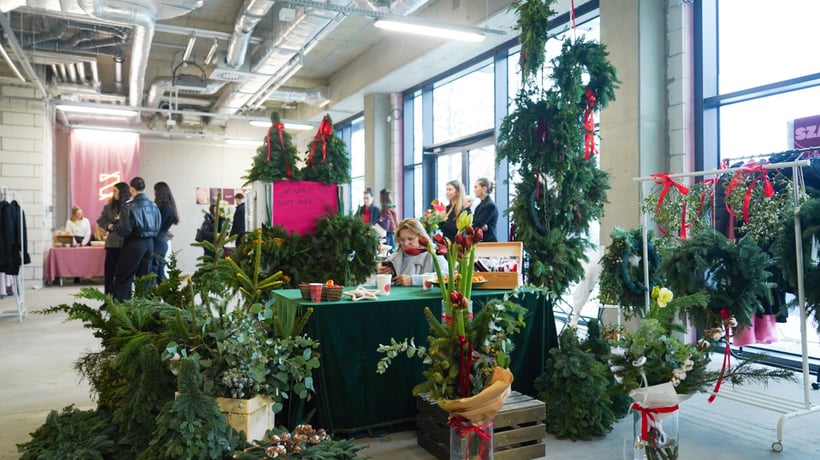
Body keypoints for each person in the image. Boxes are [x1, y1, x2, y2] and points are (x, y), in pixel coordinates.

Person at [111, 177, 161, 301]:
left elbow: (124, 230)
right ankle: (143, 308)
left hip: (134, 243)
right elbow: (158, 225)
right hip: (150, 244)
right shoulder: (154, 206)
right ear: (144, 188)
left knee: (124, 277)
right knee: (144, 279)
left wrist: (116, 225)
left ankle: (122, 307)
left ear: (132, 189)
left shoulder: (128, 206)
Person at [378, 218, 447, 286]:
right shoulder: (393, 258)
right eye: (402, 240)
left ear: (421, 237)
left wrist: (413, 280)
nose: (406, 243)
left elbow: (447, 274)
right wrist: (380, 274)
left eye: (410, 239)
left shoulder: (434, 254)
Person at [96, 182, 131, 298]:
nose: (113, 193)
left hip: (127, 243)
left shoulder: (130, 206)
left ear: (122, 192)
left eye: (115, 191)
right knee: (109, 273)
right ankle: (108, 299)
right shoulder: (109, 207)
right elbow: (101, 220)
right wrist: (108, 225)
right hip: (112, 243)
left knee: (124, 273)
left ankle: (123, 299)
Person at [152, 181, 179, 281]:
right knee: (159, 272)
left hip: (157, 242)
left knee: (155, 271)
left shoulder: (164, 208)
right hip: (162, 241)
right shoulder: (170, 207)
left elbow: (157, 226)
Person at [472, 177, 499, 242]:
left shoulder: (490, 205)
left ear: (484, 189)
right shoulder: (480, 205)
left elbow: (477, 223)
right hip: (481, 241)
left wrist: (467, 208)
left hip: (488, 242)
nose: (474, 190)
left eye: (476, 187)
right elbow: (475, 222)